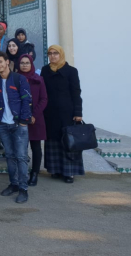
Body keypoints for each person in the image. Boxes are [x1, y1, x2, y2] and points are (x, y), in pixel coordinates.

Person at [0, 51, 32, 203]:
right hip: (2, 125)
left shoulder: (19, 79)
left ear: (7, 62)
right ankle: (13, 184)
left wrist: (23, 121)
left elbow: (27, 100)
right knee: (9, 156)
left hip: (18, 125)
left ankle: (23, 189)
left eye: (0, 62)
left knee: (21, 157)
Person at [41, 45, 84, 183]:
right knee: (53, 142)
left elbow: (76, 92)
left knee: (68, 141)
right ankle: (55, 169)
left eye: (55, 53)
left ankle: (69, 172)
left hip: (67, 113)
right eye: (50, 53)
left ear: (61, 54)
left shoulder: (71, 71)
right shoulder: (45, 70)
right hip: (50, 113)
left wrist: (78, 112)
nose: (52, 56)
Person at [16, 54, 48, 186]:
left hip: (35, 119)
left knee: (36, 147)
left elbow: (44, 99)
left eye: (27, 63)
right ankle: (21, 173)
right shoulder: (15, 78)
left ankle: (34, 173)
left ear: (31, 64)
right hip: (20, 119)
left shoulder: (38, 79)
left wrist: (33, 115)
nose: (24, 65)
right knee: (21, 148)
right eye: (22, 63)